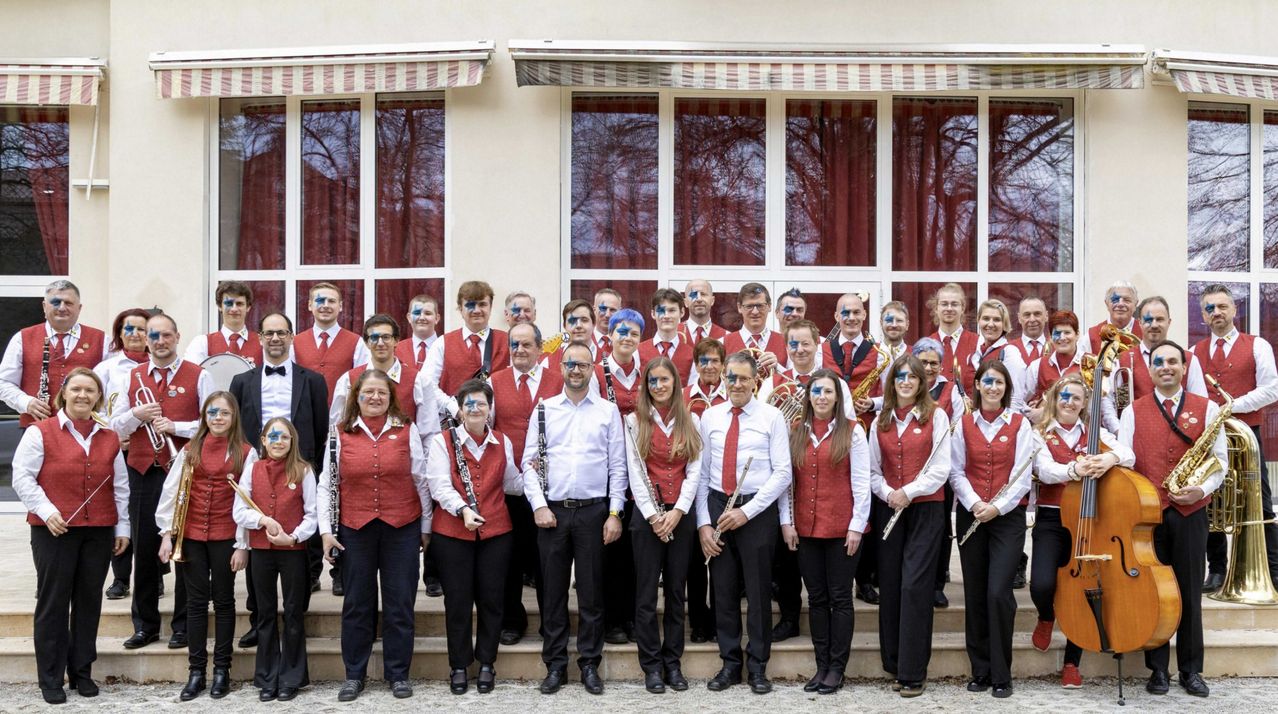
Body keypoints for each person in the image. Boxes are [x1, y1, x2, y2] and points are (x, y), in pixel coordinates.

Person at [14, 368, 129, 704]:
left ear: (98, 397)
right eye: (76, 389)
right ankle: (51, 677)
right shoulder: (39, 432)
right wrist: (47, 511)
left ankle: (81, 672)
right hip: (53, 531)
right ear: (63, 393)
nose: (82, 395)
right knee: (53, 603)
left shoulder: (109, 436)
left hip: (99, 531)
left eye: (90, 390)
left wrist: (122, 528)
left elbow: (120, 487)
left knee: (89, 602)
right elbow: (22, 477)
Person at [1118, 340, 1226, 698]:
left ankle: (1191, 670)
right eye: (1159, 362)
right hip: (1149, 516)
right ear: (1150, 370)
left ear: (1184, 367)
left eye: (1173, 362)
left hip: (1191, 512)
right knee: (1152, 593)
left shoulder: (1208, 408)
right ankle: (1158, 670)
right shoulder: (1132, 411)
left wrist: (1201, 490)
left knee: (1190, 592)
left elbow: (1220, 461)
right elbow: (1125, 460)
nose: (1166, 367)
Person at [521, 341, 627, 696]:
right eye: (570, 364)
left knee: (592, 593)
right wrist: (538, 505)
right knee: (552, 594)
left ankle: (589, 664)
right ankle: (555, 665)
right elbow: (528, 464)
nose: (576, 370)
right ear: (561, 367)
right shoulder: (544, 409)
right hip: (552, 511)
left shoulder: (608, 412)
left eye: (582, 364)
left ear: (592, 368)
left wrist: (614, 513)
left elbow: (617, 467)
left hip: (594, 512)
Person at [319, 369, 432, 702]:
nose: (375, 397)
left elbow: (421, 479)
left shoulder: (407, 430)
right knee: (357, 603)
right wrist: (326, 531)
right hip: (355, 529)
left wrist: (426, 527)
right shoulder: (339, 432)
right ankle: (354, 675)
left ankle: (398, 674)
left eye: (382, 392)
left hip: (402, 528)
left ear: (391, 397)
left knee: (400, 603)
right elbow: (327, 483)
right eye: (368, 391)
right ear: (357, 396)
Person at [110, 313, 214, 651]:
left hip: (184, 472)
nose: (160, 341)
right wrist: (135, 415)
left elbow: (212, 423)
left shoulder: (200, 375)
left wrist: (175, 427)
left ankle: (183, 625)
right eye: (153, 335)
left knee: (185, 551)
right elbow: (114, 426)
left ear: (177, 337)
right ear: (146, 339)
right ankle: (145, 626)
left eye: (166, 335)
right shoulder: (131, 376)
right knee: (144, 551)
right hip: (143, 472)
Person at [696, 351, 793, 695]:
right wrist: (704, 524)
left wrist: (746, 512)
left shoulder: (772, 417)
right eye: (730, 377)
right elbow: (702, 474)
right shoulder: (710, 416)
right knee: (722, 590)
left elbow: (783, 473)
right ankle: (730, 664)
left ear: (755, 381)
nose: (736, 384)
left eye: (743, 378)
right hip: (718, 506)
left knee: (758, 591)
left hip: (756, 511)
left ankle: (758, 667)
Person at [1030, 374, 1133, 689]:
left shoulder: (1096, 434)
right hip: (1052, 517)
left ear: (1085, 403)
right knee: (1042, 584)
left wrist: (1109, 458)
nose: (1069, 402)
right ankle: (1046, 616)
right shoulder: (1039, 433)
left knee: (1085, 589)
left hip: (1088, 521)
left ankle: (1072, 663)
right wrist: (1075, 469)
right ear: (1054, 399)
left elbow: (1129, 456)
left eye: (1076, 397)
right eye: (1064, 396)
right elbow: (1043, 469)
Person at [228, 311, 328, 634]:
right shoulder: (241, 382)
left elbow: (321, 429)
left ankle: (297, 621)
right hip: (256, 470)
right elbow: (236, 430)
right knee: (259, 546)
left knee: (300, 548)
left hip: (298, 470)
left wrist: (307, 467)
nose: (275, 338)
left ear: (291, 337)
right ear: (259, 338)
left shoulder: (313, 381)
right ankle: (259, 621)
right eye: (269, 333)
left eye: (281, 333)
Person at [155, 392, 254, 700]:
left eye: (224, 413)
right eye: (212, 412)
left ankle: (222, 670)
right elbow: (172, 491)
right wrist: (166, 534)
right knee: (195, 604)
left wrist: (243, 544)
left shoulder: (246, 452)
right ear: (204, 416)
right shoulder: (190, 449)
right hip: (192, 536)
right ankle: (196, 672)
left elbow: (248, 499)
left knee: (224, 602)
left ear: (234, 417)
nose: (218, 418)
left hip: (226, 536)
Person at [427, 378, 523, 695]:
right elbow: (439, 486)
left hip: (496, 532)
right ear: (459, 408)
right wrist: (463, 510)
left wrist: (537, 475)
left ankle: (486, 662)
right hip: (453, 533)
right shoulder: (442, 441)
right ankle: (458, 665)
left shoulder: (502, 441)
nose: (475, 408)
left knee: (492, 599)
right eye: (468, 403)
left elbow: (511, 483)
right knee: (457, 601)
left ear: (490, 408)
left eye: (481, 403)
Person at [949, 360, 1035, 699]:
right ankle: (980, 670)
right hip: (971, 515)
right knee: (975, 592)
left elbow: (1022, 474)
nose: (993, 387)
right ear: (978, 385)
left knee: (998, 592)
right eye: (988, 381)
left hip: (1007, 518)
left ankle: (1002, 672)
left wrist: (996, 507)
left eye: (999, 382)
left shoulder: (1020, 424)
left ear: (1006, 388)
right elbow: (956, 472)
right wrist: (975, 504)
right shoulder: (963, 424)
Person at [781, 369, 870, 695]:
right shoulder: (796, 430)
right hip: (806, 529)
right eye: (816, 391)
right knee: (816, 599)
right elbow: (787, 482)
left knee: (840, 598)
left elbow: (861, 482)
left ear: (837, 397)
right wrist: (787, 522)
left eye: (828, 391)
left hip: (842, 529)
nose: (821, 397)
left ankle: (837, 668)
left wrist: (856, 526)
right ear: (809, 396)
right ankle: (822, 666)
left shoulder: (853, 432)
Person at [869, 354, 951, 698]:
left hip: (925, 510)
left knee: (915, 585)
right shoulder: (880, 420)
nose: (905, 381)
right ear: (892, 382)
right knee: (890, 584)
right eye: (899, 376)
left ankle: (913, 672)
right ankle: (894, 662)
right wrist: (889, 493)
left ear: (921, 382)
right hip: (890, 507)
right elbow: (873, 470)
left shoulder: (937, 416)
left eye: (912, 377)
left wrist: (909, 491)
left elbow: (941, 468)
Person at [1193, 284, 1278, 593]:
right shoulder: (1194, 352)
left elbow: (1271, 389)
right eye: (1210, 308)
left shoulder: (1258, 345)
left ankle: (1273, 569)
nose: (1216, 312)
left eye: (1222, 306)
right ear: (1203, 316)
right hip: (1210, 437)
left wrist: (1231, 406)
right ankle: (1217, 570)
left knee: (1260, 500)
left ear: (1234, 310)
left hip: (1246, 434)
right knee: (1212, 503)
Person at [625, 356, 703, 694]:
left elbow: (695, 470)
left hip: (680, 517)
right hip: (648, 518)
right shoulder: (633, 421)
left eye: (664, 380)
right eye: (652, 381)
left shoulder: (692, 420)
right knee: (645, 595)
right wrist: (654, 516)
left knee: (675, 592)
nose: (658, 386)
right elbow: (634, 471)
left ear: (675, 383)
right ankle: (652, 667)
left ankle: (673, 663)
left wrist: (679, 511)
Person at [490, 322, 563, 645]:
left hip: (549, 488)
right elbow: (487, 430)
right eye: (514, 345)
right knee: (509, 558)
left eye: (526, 345)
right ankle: (511, 620)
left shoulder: (558, 381)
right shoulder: (494, 382)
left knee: (548, 560)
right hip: (508, 487)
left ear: (539, 348)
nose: (519, 350)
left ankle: (552, 623)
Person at [234, 417, 317, 702]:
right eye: (273, 436)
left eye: (284, 436)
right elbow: (239, 510)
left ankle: (291, 677)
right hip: (262, 551)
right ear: (263, 441)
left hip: (293, 551)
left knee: (293, 611)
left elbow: (312, 515)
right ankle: (267, 677)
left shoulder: (304, 471)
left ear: (292, 441)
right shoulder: (253, 468)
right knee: (265, 612)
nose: (278, 441)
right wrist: (262, 520)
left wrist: (293, 537)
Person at [593, 309, 644, 644]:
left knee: (637, 553)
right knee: (610, 552)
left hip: (641, 471)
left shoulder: (648, 372)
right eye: (621, 332)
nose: (627, 338)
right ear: (610, 335)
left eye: (634, 333)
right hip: (607, 470)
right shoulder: (597, 373)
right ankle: (612, 620)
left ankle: (633, 617)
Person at [94, 307, 151, 601]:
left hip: (151, 452)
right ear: (119, 333)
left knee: (149, 515)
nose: (135, 334)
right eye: (129, 328)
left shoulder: (160, 364)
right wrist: (115, 436)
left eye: (142, 329)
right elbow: (95, 410)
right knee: (121, 510)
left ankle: (152, 575)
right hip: (119, 450)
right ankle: (120, 576)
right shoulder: (106, 369)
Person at [0, 279, 109, 429]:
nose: (62, 308)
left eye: (68, 303)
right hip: (36, 428)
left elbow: (112, 386)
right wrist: (26, 402)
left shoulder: (103, 340)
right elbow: (3, 382)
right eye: (56, 302)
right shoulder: (21, 338)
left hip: (88, 428)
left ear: (79, 308)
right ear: (44, 306)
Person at [1101, 295, 1207, 434]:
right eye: (1148, 320)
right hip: (1137, 438)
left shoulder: (1189, 359)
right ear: (1140, 323)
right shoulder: (1122, 360)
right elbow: (1107, 401)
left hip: (1182, 438)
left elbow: (1201, 402)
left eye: (1160, 319)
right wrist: (1119, 431)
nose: (1154, 325)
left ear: (1169, 322)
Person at [912, 338, 965, 608]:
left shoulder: (951, 390)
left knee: (941, 529)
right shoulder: (906, 385)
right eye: (923, 362)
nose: (929, 368)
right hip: (909, 468)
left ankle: (936, 584)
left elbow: (959, 424)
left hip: (939, 470)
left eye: (934, 363)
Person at [328, 314, 437, 441]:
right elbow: (336, 429)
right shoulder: (348, 380)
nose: (380, 343)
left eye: (386, 337)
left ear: (396, 340)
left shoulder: (419, 381)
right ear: (367, 343)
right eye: (374, 337)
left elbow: (429, 434)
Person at [422, 280, 510, 422]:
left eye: (482, 304)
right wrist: (455, 409)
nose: (477, 310)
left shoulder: (508, 342)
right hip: (455, 425)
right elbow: (426, 385)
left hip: (497, 424)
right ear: (460, 309)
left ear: (491, 307)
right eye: (470, 305)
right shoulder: (442, 343)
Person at [292, 282, 370, 405]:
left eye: (332, 301)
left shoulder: (357, 342)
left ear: (340, 306)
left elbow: (363, 380)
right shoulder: (294, 343)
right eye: (320, 300)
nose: (325, 305)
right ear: (310, 305)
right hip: (305, 412)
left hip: (343, 412)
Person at [967, 299, 1027, 413]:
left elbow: (1015, 398)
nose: (990, 324)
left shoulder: (1009, 353)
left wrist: (1008, 422)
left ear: (1004, 324)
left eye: (997, 320)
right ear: (978, 320)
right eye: (986, 318)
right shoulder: (975, 353)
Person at [182, 281, 263, 366]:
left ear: (248, 307)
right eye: (229, 303)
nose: (234, 309)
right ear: (220, 306)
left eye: (239, 304)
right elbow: (190, 372)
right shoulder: (202, 343)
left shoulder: (262, 342)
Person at [1024, 310, 1086, 418]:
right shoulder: (1036, 366)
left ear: (1077, 334)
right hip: (1045, 427)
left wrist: (1046, 410)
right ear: (1050, 337)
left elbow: (1096, 405)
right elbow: (1019, 400)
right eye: (1057, 333)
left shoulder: (1090, 364)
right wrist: (1031, 411)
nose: (1062, 338)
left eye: (1067, 332)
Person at [722, 284, 786, 371]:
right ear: (739, 307)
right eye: (749, 306)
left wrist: (778, 368)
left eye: (760, 306)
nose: (755, 312)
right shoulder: (722, 343)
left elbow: (796, 378)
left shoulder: (786, 343)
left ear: (769, 306)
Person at [928, 283, 979, 390]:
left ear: (963, 308)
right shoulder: (925, 345)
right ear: (936, 308)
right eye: (944, 304)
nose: (949, 308)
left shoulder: (978, 343)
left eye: (954, 304)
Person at [640, 288, 694, 383]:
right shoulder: (637, 351)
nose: (666, 316)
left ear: (682, 312)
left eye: (672, 310)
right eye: (661, 310)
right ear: (653, 314)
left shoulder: (692, 354)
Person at [1078, 280, 1143, 355]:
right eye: (1115, 300)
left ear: (1135, 304)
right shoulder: (1091, 337)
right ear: (1107, 304)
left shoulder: (1145, 332)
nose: (1120, 304)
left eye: (1126, 300)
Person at [684, 338, 728, 419]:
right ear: (696, 366)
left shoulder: (732, 395)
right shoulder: (681, 395)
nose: (709, 367)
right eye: (704, 361)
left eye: (715, 361)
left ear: (722, 365)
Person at [395, 294, 440, 370]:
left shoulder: (446, 348)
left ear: (437, 318)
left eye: (427, 313)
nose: (422, 318)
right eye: (416, 313)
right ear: (409, 318)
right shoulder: (396, 350)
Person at [680, 279, 727, 345]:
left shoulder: (726, 337)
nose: (699, 299)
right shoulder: (674, 334)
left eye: (703, 294)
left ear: (712, 300)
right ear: (685, 302)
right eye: (693, 294)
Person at [1012, 297, 1049, 366]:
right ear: (1019, 318)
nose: (1032, 319)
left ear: (1046, 316)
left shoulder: (1057, 349)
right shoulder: (1008, 349)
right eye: (1027, 315)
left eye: (1037, 314)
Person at [879, 301, 911, 367]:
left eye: (899, 320)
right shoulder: (869, 353)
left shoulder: (916, 353)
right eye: (889, 320)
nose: (894, 325)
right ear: (881, 323)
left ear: (907, 325)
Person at [592, 288, 623, 357]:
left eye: (612, 310)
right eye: (603, 309)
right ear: (594, 310)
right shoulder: (583, 340)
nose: (607, 315)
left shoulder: (625, 342)